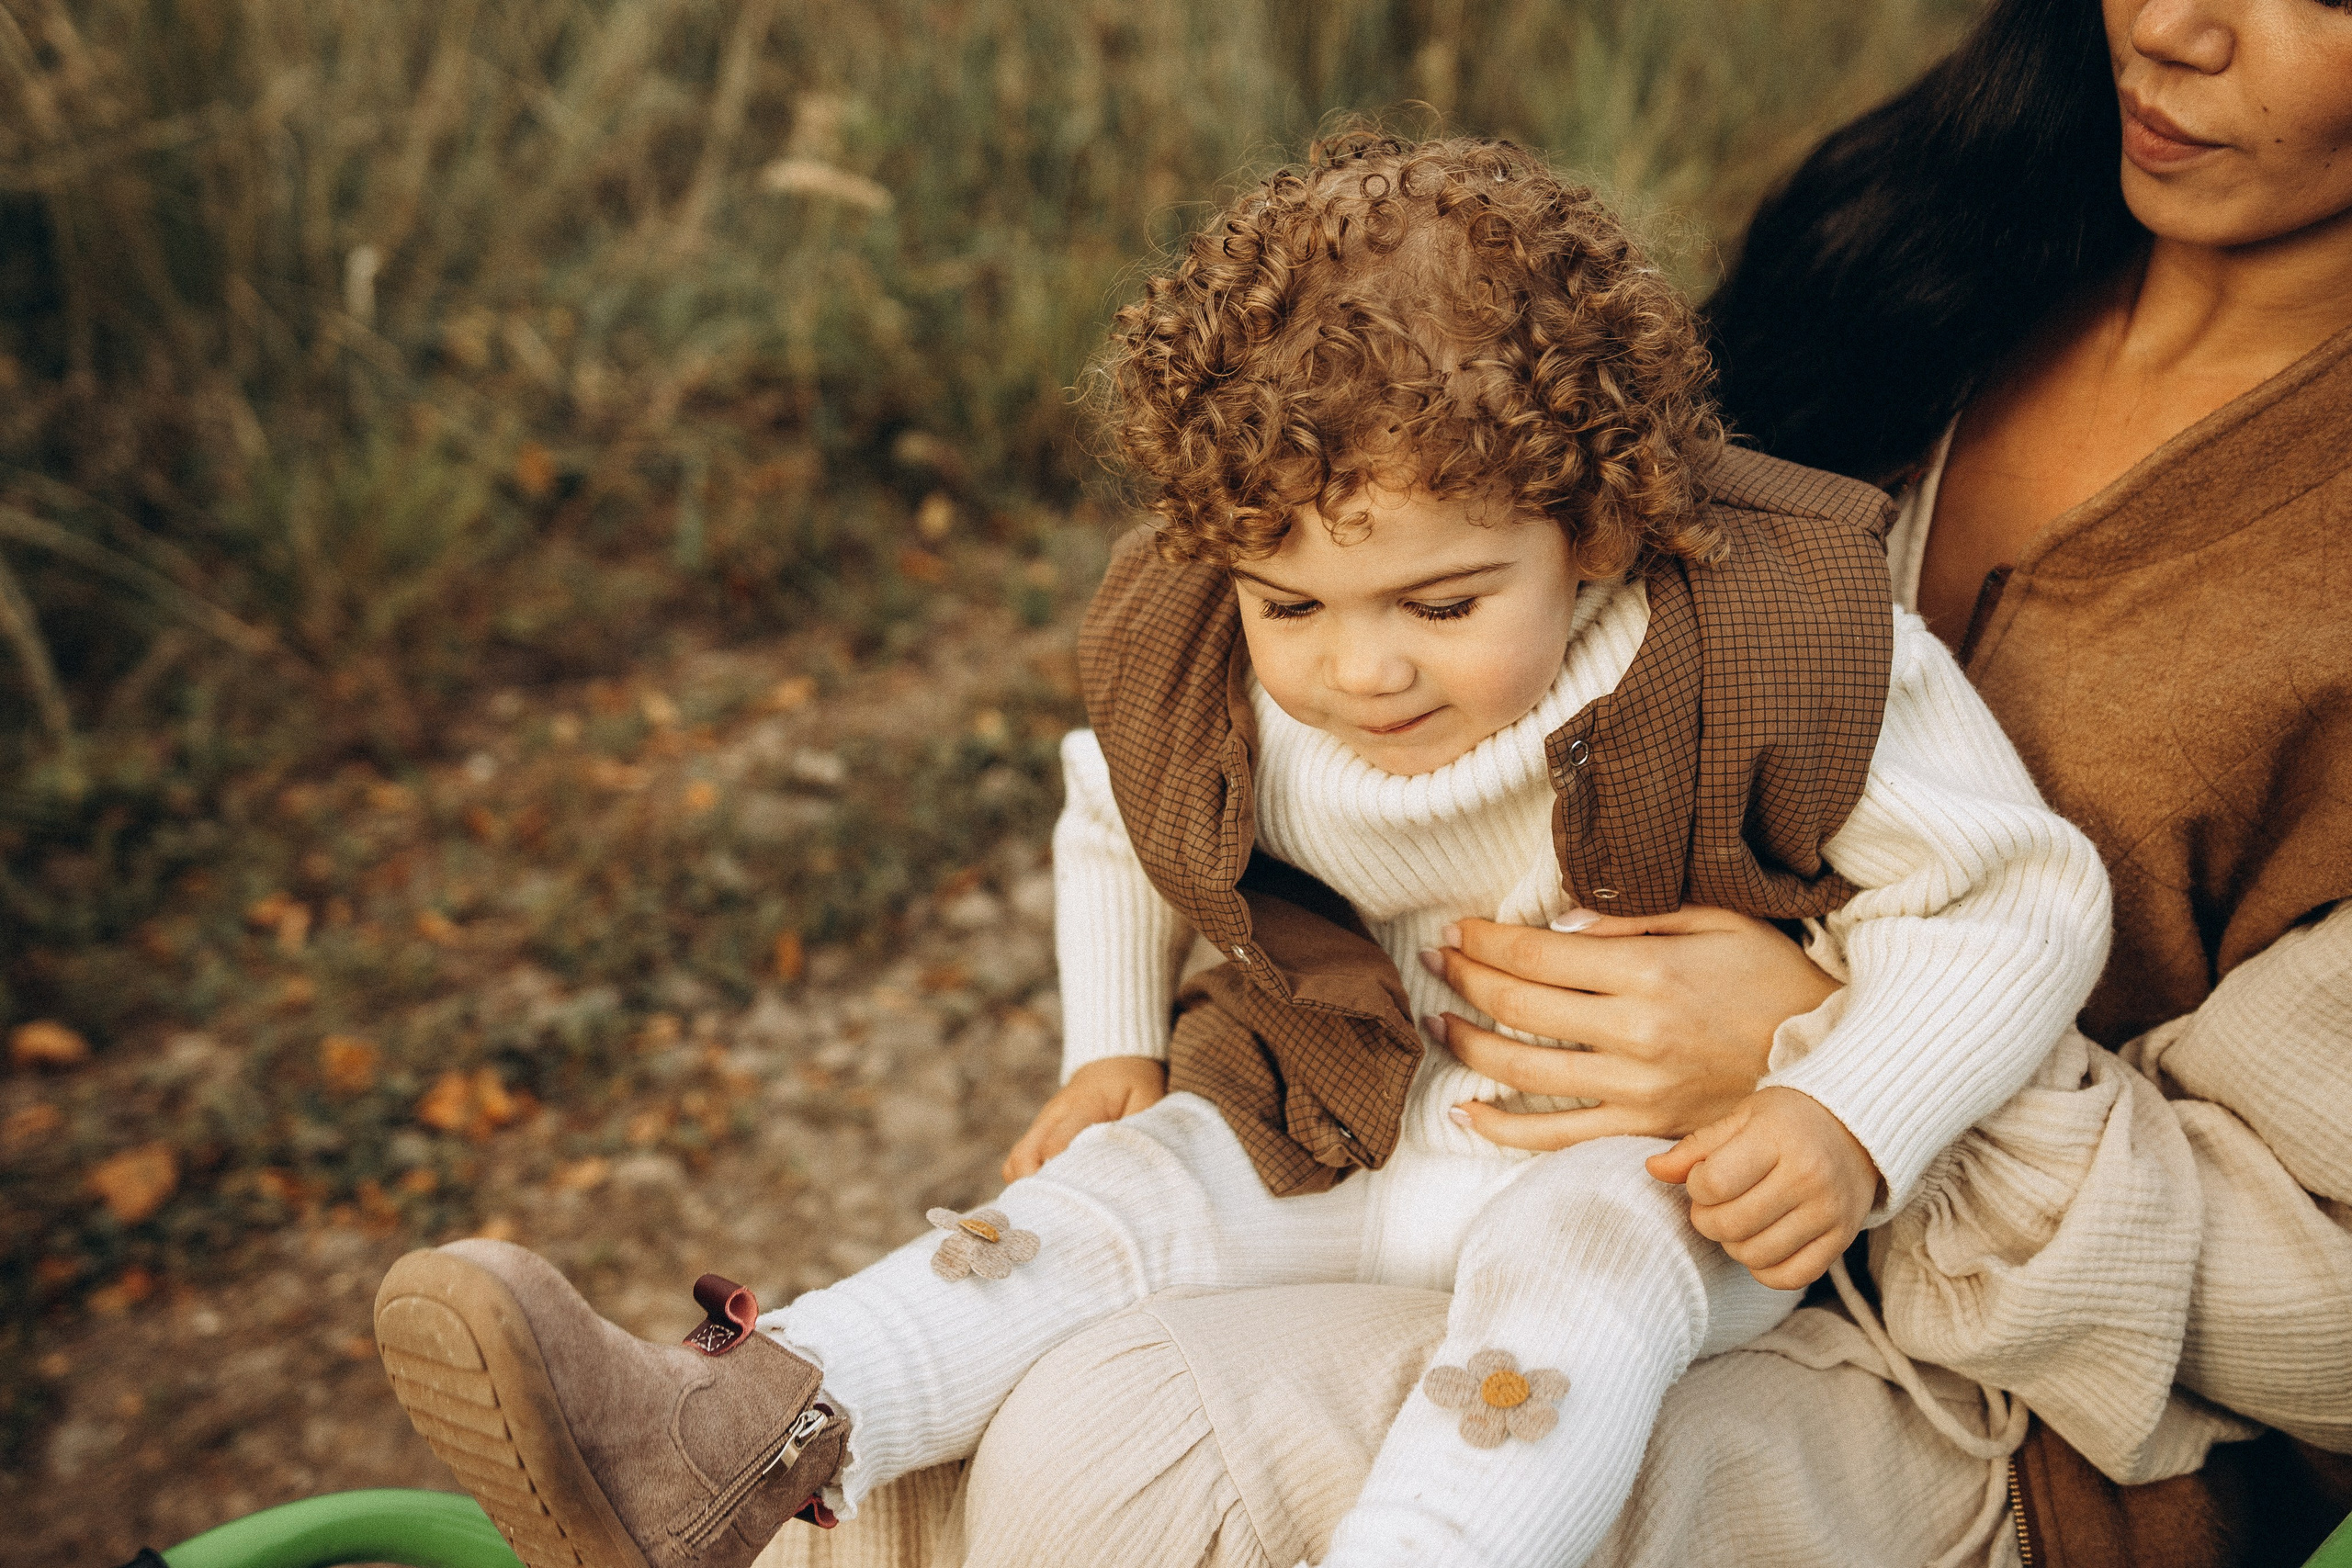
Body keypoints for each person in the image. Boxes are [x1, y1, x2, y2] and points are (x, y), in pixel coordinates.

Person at [372, 136, 2115, 1568]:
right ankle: (725, 1437)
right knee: (1090, 1213)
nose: (1365, 669)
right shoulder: (1218, 655)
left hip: (1643, 1158)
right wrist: (1115, 1048)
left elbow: (2020, 898)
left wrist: (1846, 1113)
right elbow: (1114, 807)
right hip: (1337, 1112)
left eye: (1443, 603)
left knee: (1570, 1307)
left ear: (1593, 528)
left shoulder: (1779, 645)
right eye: (1296, 604)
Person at [904, 1, 2352, 1564]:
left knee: (1135, 1448)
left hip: (2024, 1417)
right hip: (1510, 1155)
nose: (2181, 23)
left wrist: (1843, 1065)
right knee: (940, 1404)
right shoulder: (1909, 241)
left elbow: (2324, 1308)